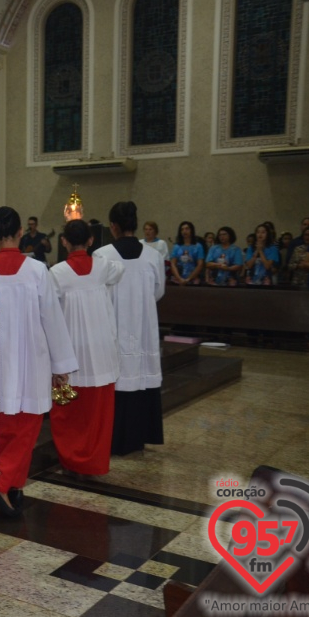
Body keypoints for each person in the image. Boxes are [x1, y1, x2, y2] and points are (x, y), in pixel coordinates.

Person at [0, 206, 78, 517]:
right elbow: (52, 320)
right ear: (21, 233)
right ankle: (0, 487)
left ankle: (9, 488)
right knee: (25, 432)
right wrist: (61, 366)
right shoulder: (38, 270)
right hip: (31, 365)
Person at [49, 219, 123, 476]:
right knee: (98, 414)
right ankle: (94, 462)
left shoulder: (56, 273)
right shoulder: (102, 266)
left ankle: (71, 461)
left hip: (72, 351)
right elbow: (120, 270)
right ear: (91, 240)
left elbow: (50, 315)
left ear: (64, 242)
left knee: (70, 412)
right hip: (101, 351)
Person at [94, 201, 165, 457]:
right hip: (144, 328)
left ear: (112, 226)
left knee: (117, 379)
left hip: (113, 328)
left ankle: (114, 439)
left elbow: (97, 293)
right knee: (140, 379)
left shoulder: (102, 255)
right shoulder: (153, 256)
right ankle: (139, 437)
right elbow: (158, 291)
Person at [169, 221, 204, 285]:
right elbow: (173, 264)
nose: (184, 231)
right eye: (182, 229)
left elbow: (200, 264)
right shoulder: (177, 246)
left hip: (193, 278)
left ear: (191, 230)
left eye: (187, 229)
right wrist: (179, 279)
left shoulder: (198, 246)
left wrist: (189, 279)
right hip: (178, 278)